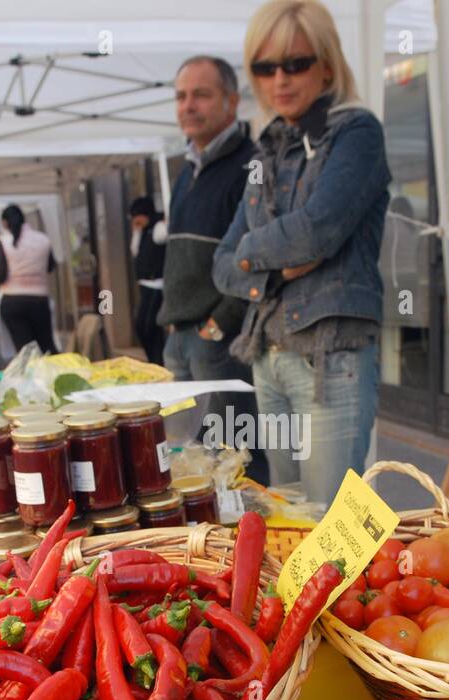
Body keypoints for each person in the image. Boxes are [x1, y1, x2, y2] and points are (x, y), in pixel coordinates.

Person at [213, 0, 389, 506]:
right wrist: (267, 264)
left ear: (327, 65)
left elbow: (316, 232)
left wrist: (251, 252)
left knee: (327, 525)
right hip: (268, 352)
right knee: (287, 518)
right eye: (265, 67)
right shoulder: (267, 148)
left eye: (296, 63)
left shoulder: (356, 132)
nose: (280, 79)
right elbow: (222, 264)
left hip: (328, 357)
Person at [160, 54, 267, 484]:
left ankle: (254, 542)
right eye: (181, 96)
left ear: (232, 102)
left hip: (219, 339)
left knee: (236, 459)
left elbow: (256, 257)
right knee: (191, 461)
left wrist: (217, 324)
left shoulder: (252, 164)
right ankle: (210, 548)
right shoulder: (187, 170)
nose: (188, 105)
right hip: (181, 337)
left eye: (201, 95)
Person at [0, 204, 58, 355]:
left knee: (25, 349)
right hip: (39, 300)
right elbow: (50, 267)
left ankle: (32, 377)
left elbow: (0, 275)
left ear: (5, 223)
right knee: (46, 344)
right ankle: (57, 374)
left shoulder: (4, 241)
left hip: (12, 301)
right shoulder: (43, 239)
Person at [129, 196, 166, 366]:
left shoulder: (158, 226)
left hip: (157, 284)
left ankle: (158, 360)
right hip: (144, 284)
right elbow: (135, 251)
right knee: (142, 326)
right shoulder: (141, 232)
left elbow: (162, 237)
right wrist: (136, 232)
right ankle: (154, 359)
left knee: (149, 325)